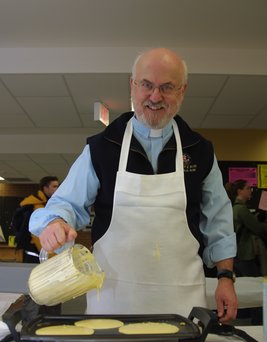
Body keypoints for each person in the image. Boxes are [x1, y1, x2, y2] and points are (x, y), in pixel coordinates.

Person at [30, 48, 237, 322]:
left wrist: (225, 278)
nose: (155, 96)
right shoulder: (101, 148)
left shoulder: (199, 150)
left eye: (167, 87)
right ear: (132, 85)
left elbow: (219, 223)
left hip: (182, 301)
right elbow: (66, 204)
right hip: (113, 299)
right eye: (147, 85)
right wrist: (55, 223)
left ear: (182, 91)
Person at [17, 176, 59, 262]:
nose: (57, 189)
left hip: (40, 248)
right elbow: (36, 232)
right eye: (54, 186)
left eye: (58, 186)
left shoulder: (46, 204)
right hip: (35, 249)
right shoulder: (37, 206)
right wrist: (48, 254)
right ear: (45, 188)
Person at [230, 179, 267, 276]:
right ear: (239, 191)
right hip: (245, 254)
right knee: (255, 282)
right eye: (248, 188)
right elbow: (258, 228)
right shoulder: (241, 209)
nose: (251, 190)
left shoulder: (234, 208)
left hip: (238, 253)